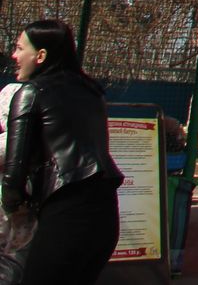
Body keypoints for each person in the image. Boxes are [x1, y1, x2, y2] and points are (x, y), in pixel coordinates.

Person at [3, 20, 123, 285]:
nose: (14, 54)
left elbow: (14, 173)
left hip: (65, 211)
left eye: (19, 48)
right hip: (106, 214)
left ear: (41, 56)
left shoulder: (31, 93)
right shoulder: (92, 92)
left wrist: (16, 211)